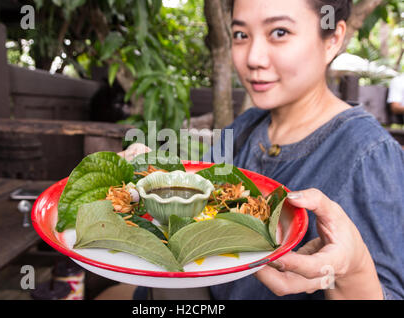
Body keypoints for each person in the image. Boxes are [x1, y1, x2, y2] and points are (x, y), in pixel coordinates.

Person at [113, 0, 404, 300]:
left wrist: (353, 270)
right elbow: (195, 212)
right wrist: (153, 176)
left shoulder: (370, 155)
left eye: (279, 32)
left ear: (332, 39)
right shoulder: (245, 127)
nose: (253, 58)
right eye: (241, 35)